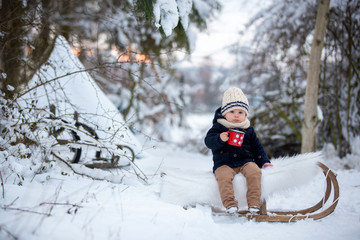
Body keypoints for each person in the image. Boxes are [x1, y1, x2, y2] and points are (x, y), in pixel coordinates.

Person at [204, 87, 273, 214]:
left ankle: (253, 202)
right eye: (232, 112)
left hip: (245, 161)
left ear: (245, 114)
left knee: (255, 172)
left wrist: (264, 161)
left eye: (240, 112)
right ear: (224, 113)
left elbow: (257, 148)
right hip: (224, 163)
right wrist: (219, 138)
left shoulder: (248, 130)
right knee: (223, 176)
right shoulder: (218, 128)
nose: (236, 115)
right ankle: (229, 203)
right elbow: (208, 142)